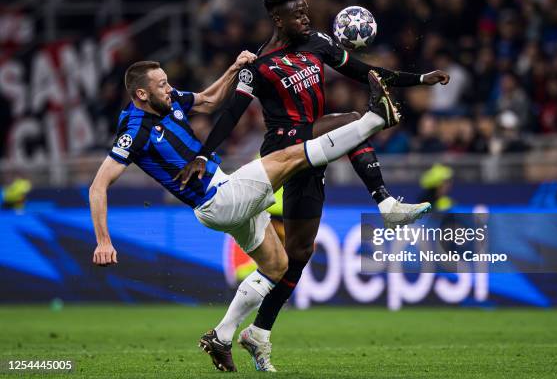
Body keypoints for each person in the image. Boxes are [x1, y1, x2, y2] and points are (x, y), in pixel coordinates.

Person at [183, 0, 449, 370]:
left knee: (298, 255)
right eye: (298, 14)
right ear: (278, 19)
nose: (306, 18)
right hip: (283, 148)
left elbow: (368, 72)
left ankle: (254, 333)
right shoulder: (257, 66)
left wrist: (421, 78)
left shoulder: (318, 43)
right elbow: (230, 114)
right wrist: (204, 154)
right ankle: (386, 202)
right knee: (354, 123)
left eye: (306, 11)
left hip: (315, 153)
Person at [90, 57, 405, 372]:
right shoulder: (134, 131)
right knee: (291, 155)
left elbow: (210, 100)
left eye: (167, 81)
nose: (170, 88)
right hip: (218, 199)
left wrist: (232, 68)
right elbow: (98, 186)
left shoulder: (171, 102)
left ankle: (222, 336)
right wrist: (104, 240)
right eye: (161, 85)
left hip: (223, 193)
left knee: (277, 265)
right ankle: (375, 119)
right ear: (142, 95)